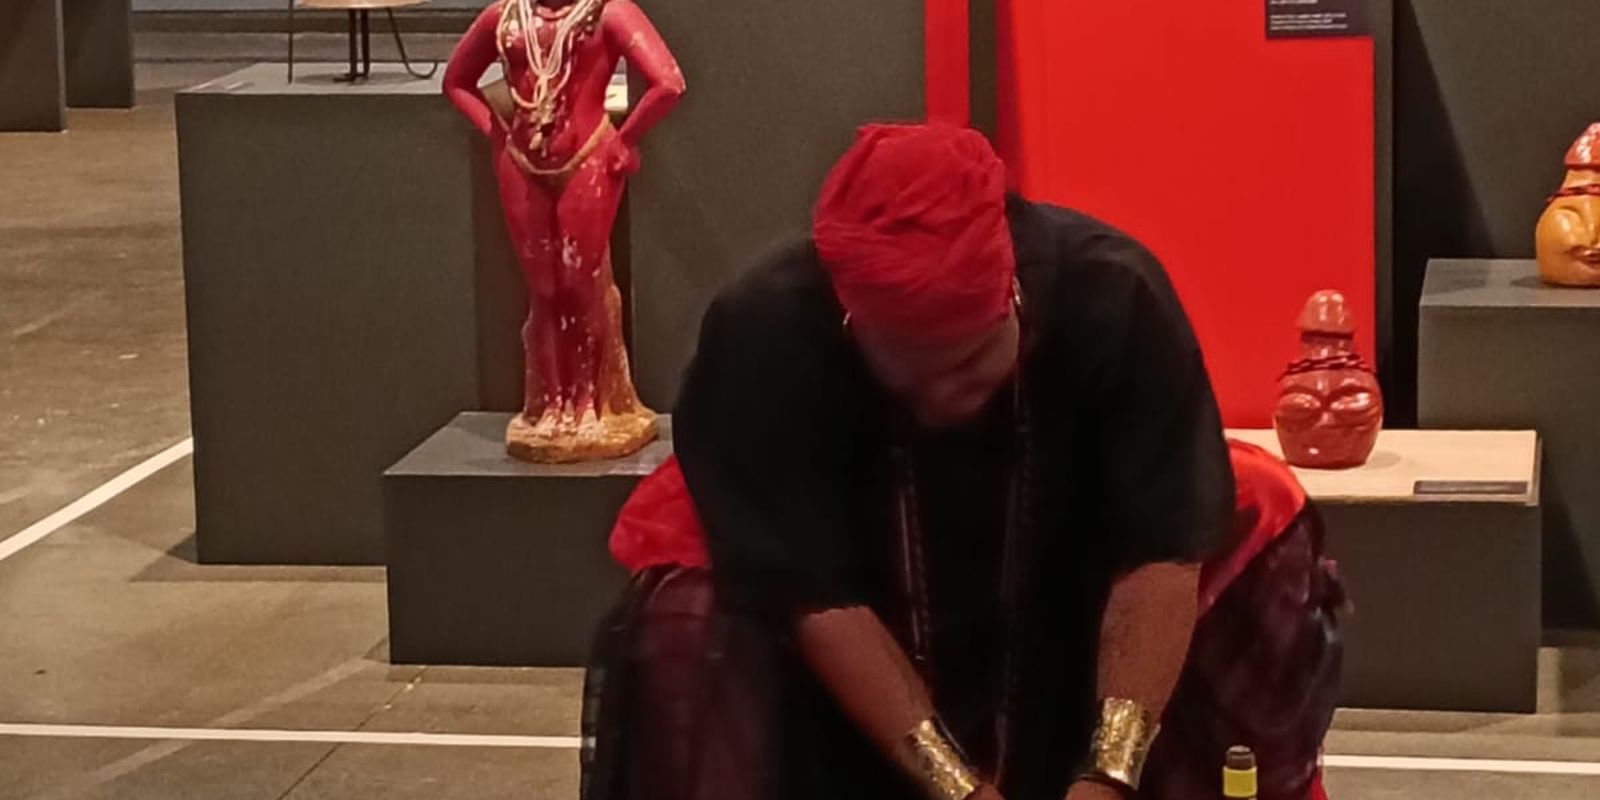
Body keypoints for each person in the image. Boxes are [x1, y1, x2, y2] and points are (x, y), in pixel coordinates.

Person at [582, 123, 1342, 800]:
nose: (947, 395)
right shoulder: (764, 334)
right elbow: (813, 592)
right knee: (683, 624)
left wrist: (1109, 775)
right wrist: (959, 788)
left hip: (1071, 593)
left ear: (1011, 294)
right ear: (850, 321)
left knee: (1268, 535)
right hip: (848, 640)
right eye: (916, 373)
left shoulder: (1114, 297)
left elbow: (1162, 545)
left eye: (971, 362)